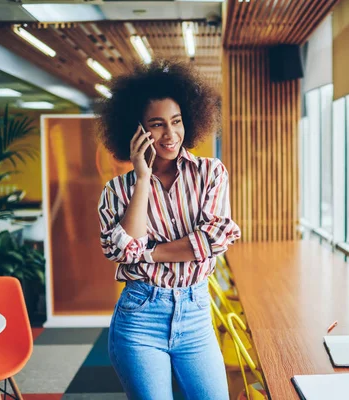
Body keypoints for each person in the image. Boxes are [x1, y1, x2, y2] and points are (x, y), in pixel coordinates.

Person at [96, 59, 241, 400]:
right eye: (157, 124)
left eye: (176, 122)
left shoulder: (210, 173)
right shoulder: (117, 191)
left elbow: (216, 237)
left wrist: (150, 252)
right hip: (140, 318)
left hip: (195, 313)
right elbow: (119, 251)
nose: (170, 134)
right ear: (137, 130)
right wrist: (142, 177)